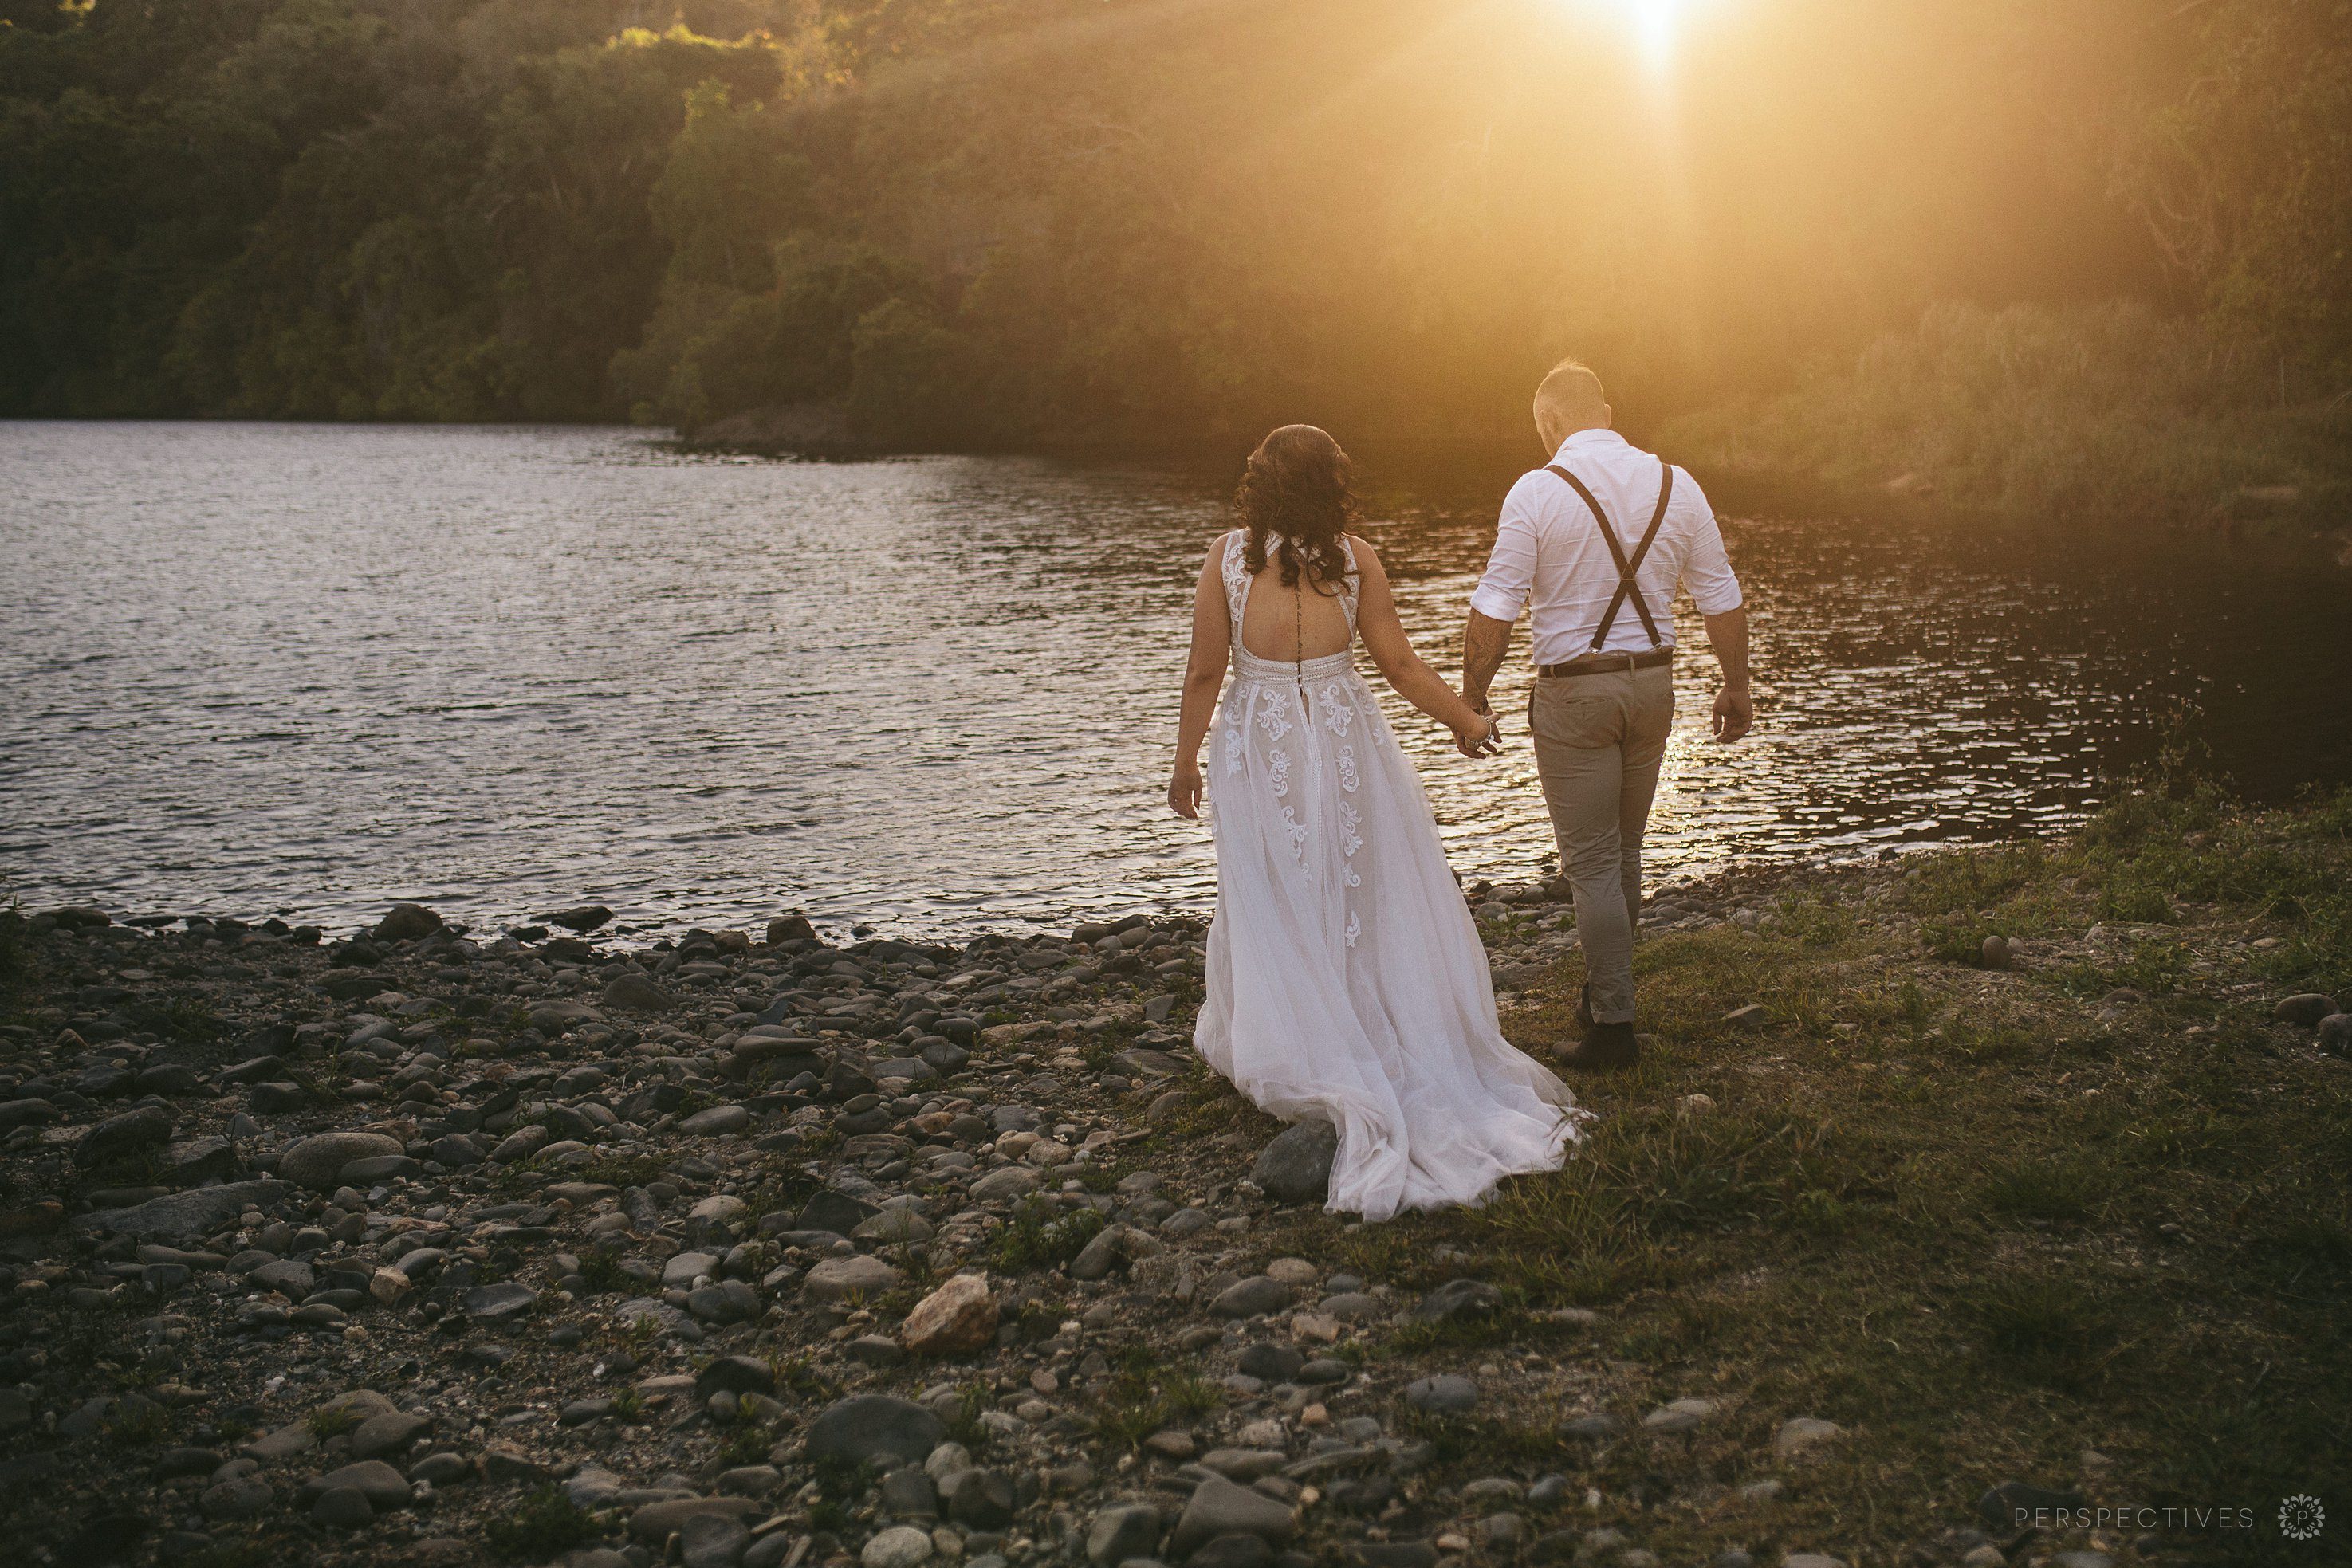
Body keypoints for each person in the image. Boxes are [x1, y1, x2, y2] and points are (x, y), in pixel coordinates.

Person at [1167, 424, 1584, 1221]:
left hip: (1262, 742)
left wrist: (1185, 760)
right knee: (1357, 886)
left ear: (1262, 483)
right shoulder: (1356, 560)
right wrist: (1462, 716)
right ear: (1332, 484)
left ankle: (1300, 1035)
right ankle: (1358, 1021)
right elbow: (1399, 666)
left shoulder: (1226, 557)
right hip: (1343, 734)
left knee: (1274, 885)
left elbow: (1204, 671)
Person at [1459, 360, 1752, 1071]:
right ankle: (1604, 994)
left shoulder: (1537, 490)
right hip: (1654, 689)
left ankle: (1614, 1027)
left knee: (1590, 863)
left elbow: (1495, 607)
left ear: (1551, 424)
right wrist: (1736, 685)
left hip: (1575, 697)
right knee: (1623, 852)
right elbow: (1721, 594)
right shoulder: (1677, 483)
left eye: (1542, 431)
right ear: (1609, 412)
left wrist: (1471, 699)